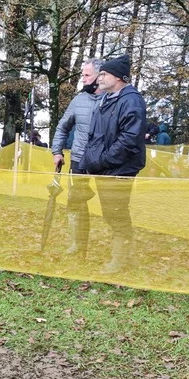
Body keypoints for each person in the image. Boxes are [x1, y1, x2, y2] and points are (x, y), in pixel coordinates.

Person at [81, 54, 146, 274]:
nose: (99, 78)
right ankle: (127, 256)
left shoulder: (131, 101)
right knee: (111, 213)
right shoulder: (106, 99)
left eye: (104, 74)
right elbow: (96, 136)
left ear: (118, 77)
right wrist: (89, 161)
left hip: (119, 169)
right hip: (105, 168)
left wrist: (102, 160)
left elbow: (129, 139)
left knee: (116, 213)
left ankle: (120, 260)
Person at [51, 58, 103, 257]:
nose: (83, 78)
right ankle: (77, 244)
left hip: (106, 161)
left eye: (87, 75)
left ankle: (119, 253)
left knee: (112, 206)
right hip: (79, 160)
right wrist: (57, 151)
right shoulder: (79, 100)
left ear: (99, 76)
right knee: (76, 203)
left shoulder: (115, 99)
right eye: (82, 74)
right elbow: (62, 127)